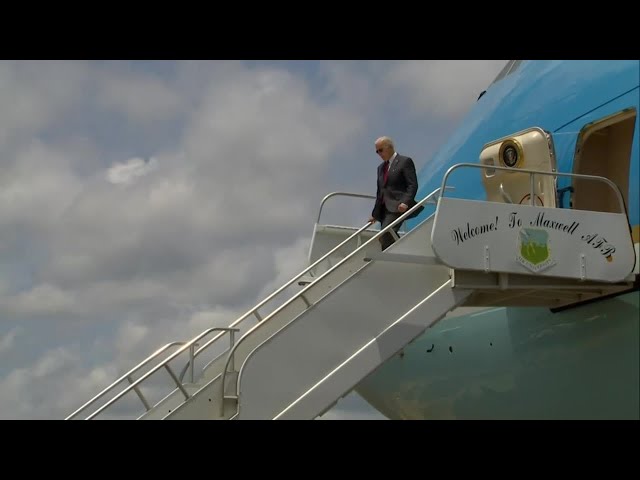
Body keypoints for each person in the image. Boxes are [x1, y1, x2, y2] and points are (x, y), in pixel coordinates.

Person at [368, 136, 423, 250]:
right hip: (385, 210)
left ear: (389, 147)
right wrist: (375, 214)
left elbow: (412, 185)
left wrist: (405, 202)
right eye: (377, 151)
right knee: (384, 237)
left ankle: (399, 254)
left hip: (398, 206)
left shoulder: (404, 161)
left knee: (385, 234)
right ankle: (400, 252)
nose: (379, 154)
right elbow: (380, 192)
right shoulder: (381, 168)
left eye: (380, 150)